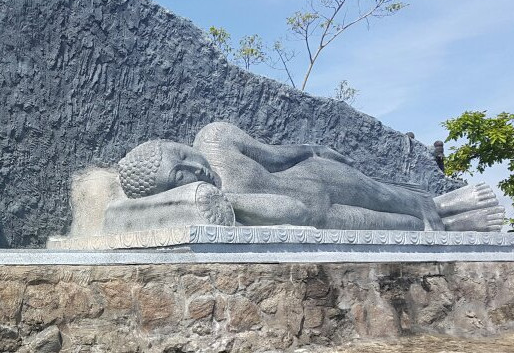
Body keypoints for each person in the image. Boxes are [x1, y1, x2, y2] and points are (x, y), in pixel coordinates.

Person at [118, 121, 505, 231]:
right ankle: (464, 222)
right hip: (326, 215)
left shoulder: (216, 138)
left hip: (317, 176)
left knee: (393, 197)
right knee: (404, 225)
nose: (194, 169)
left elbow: (275, 155)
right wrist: (224, 199)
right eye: (179, 177)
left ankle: (447, 203)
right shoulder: (222, 199)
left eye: (182, 157)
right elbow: (294, 213)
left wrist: (316, 149)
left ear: (176, 141)